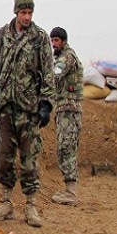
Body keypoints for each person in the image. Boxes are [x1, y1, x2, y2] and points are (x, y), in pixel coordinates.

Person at [0, 0, 55, 227]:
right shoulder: (3, 34)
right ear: (16, 12)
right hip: (6, 105)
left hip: (29, 108)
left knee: (29, 160)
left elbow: (47, 72)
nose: (26, 17)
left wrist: (46, 103)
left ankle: (31, 205)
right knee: (4, 157)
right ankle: (6, 202)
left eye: (30, 13)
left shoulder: (40, 38)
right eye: (23, 12)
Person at [49, 27, 84, 205]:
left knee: (67, 147)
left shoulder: (67, 57)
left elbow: (54, 75)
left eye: (56, 40)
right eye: (52, 40)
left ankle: (71, 193)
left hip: (69, 111)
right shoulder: (60, 57)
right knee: (64, 147)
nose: (54, 44)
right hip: (63, 110)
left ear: (63, 41)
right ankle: (69, 190)